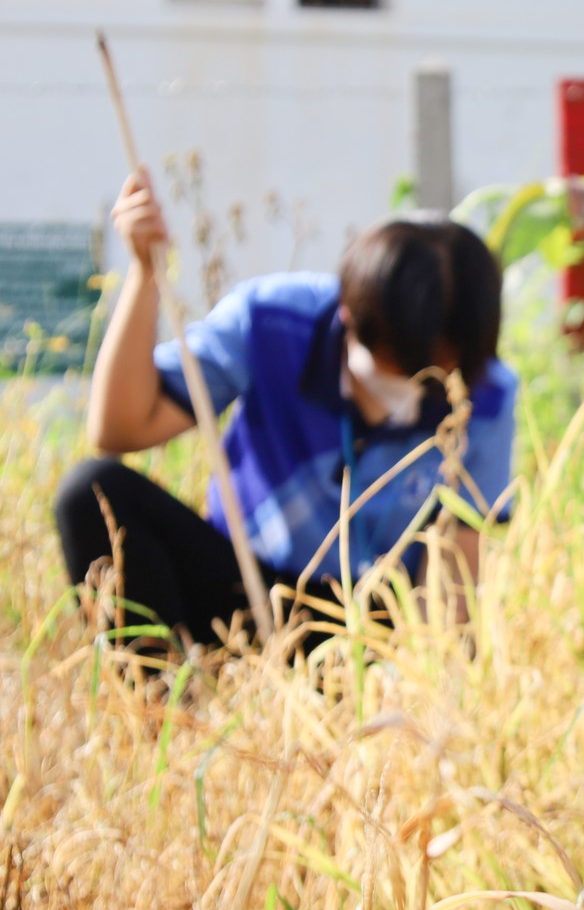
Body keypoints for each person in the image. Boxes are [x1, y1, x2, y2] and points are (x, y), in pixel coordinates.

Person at [56, 170, 518, 650]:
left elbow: (454, 579)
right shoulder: (272, 323)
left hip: (369, 625)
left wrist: (422, 687)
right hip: (244, 592)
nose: (407, 391)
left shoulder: (485, 397)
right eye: (393, 369)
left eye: (433, 375)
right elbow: (120, 428)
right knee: (91, 491)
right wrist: (144, 274)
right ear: (348, 315)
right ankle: (163, 709)